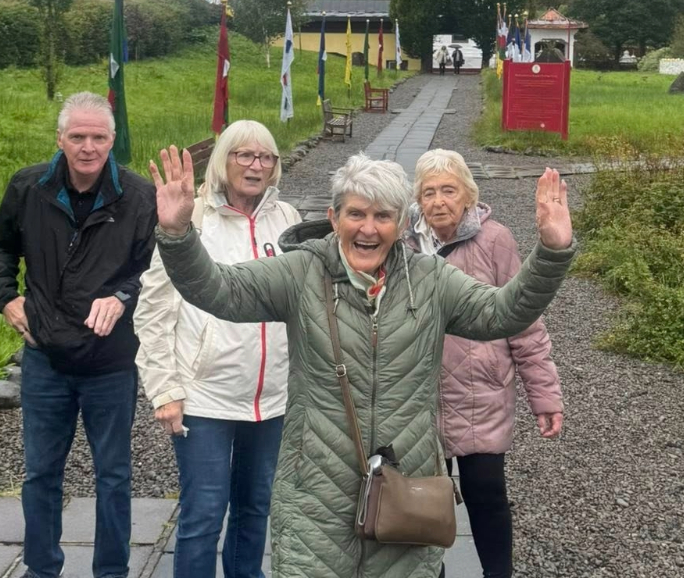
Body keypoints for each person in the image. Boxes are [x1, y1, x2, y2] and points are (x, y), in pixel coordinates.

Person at [146, 148, 576, 578]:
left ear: (402, 224)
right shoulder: (299, 273)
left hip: (405, 490)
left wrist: (552, 252)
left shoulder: (430, 280)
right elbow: (220, 291)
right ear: (334, 218)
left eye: (383, 216)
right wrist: (178, 233)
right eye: (356, 214)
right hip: (315, 494)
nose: (368, 229)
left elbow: (504, 312)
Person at [0, 91, 157, 578]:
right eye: (77, 136)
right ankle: (41, 569)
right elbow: (0, 246)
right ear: (59, 139)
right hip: (45, 358)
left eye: (98, 136)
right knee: (41, 474)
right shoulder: (29, 186)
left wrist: (122, 297)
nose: (87, 146)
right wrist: (5, 297)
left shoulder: (139, 197)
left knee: (115, 477)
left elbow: (155, 271)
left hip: (111, 362)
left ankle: (112, 571)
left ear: (112, 139)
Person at [135, 121, 299, 578]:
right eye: (244, 155)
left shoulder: (286, 220)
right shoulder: (194, 220)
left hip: (270, 401)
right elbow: (152, 312)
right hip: (206, 397)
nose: (256, 165)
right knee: (204, 513)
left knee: (255, 508)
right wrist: (164, 389)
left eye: (266, 157)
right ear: (224, 160)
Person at [404, 150, 563, 578]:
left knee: (487, 496)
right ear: (417, 199)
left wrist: (544, 395)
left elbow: (525, 321)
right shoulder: (402, 244)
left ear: (468, 195)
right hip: (415, 399)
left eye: (448, 190)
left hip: (479, 392)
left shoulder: (495, 240)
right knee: (420, 506)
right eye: (429, 192)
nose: (438, 201)